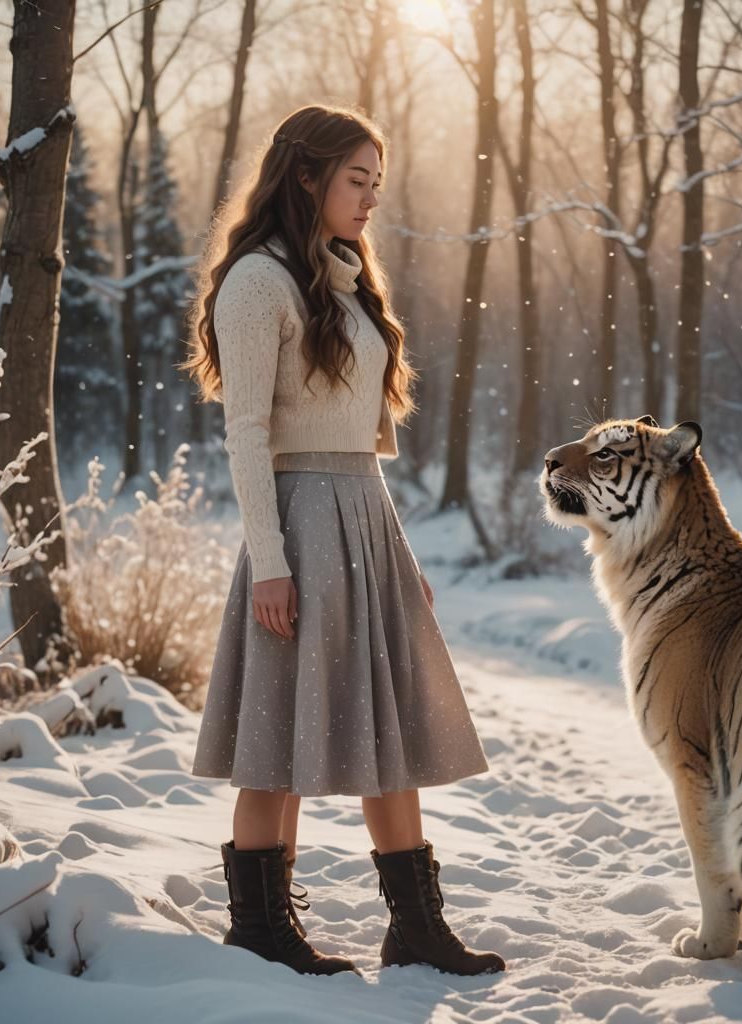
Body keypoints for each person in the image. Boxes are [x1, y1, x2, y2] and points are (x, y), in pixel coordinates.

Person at [182, 104, 505, 979]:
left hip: (361, 517)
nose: (369, 200)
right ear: (306, 175)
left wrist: (396, 554)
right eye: (356, 180)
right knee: (276, 727)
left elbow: (358, 436)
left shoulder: (345, 276)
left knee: (388, 726)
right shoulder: (257, 282)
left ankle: (417, 930)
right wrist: (272, 566)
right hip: (298, 522)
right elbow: (248, 431)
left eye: (377, 183)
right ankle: (259, 928)